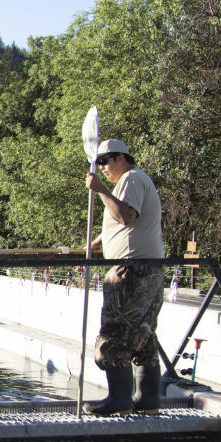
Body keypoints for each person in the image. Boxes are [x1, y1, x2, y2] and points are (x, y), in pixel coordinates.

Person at [83, 139, 165, 416]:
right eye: (99, 163)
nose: (102, 167)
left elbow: (126, 216)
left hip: (131, 270)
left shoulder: (131, 178)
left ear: (121, 157)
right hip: (148, 268)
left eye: (105, 161)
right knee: (144, 336)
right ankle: (148, 400)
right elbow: (123, 227)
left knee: (115, 334)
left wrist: (100, 189)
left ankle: (119, 400)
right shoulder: (135, 181)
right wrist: (96, 244)